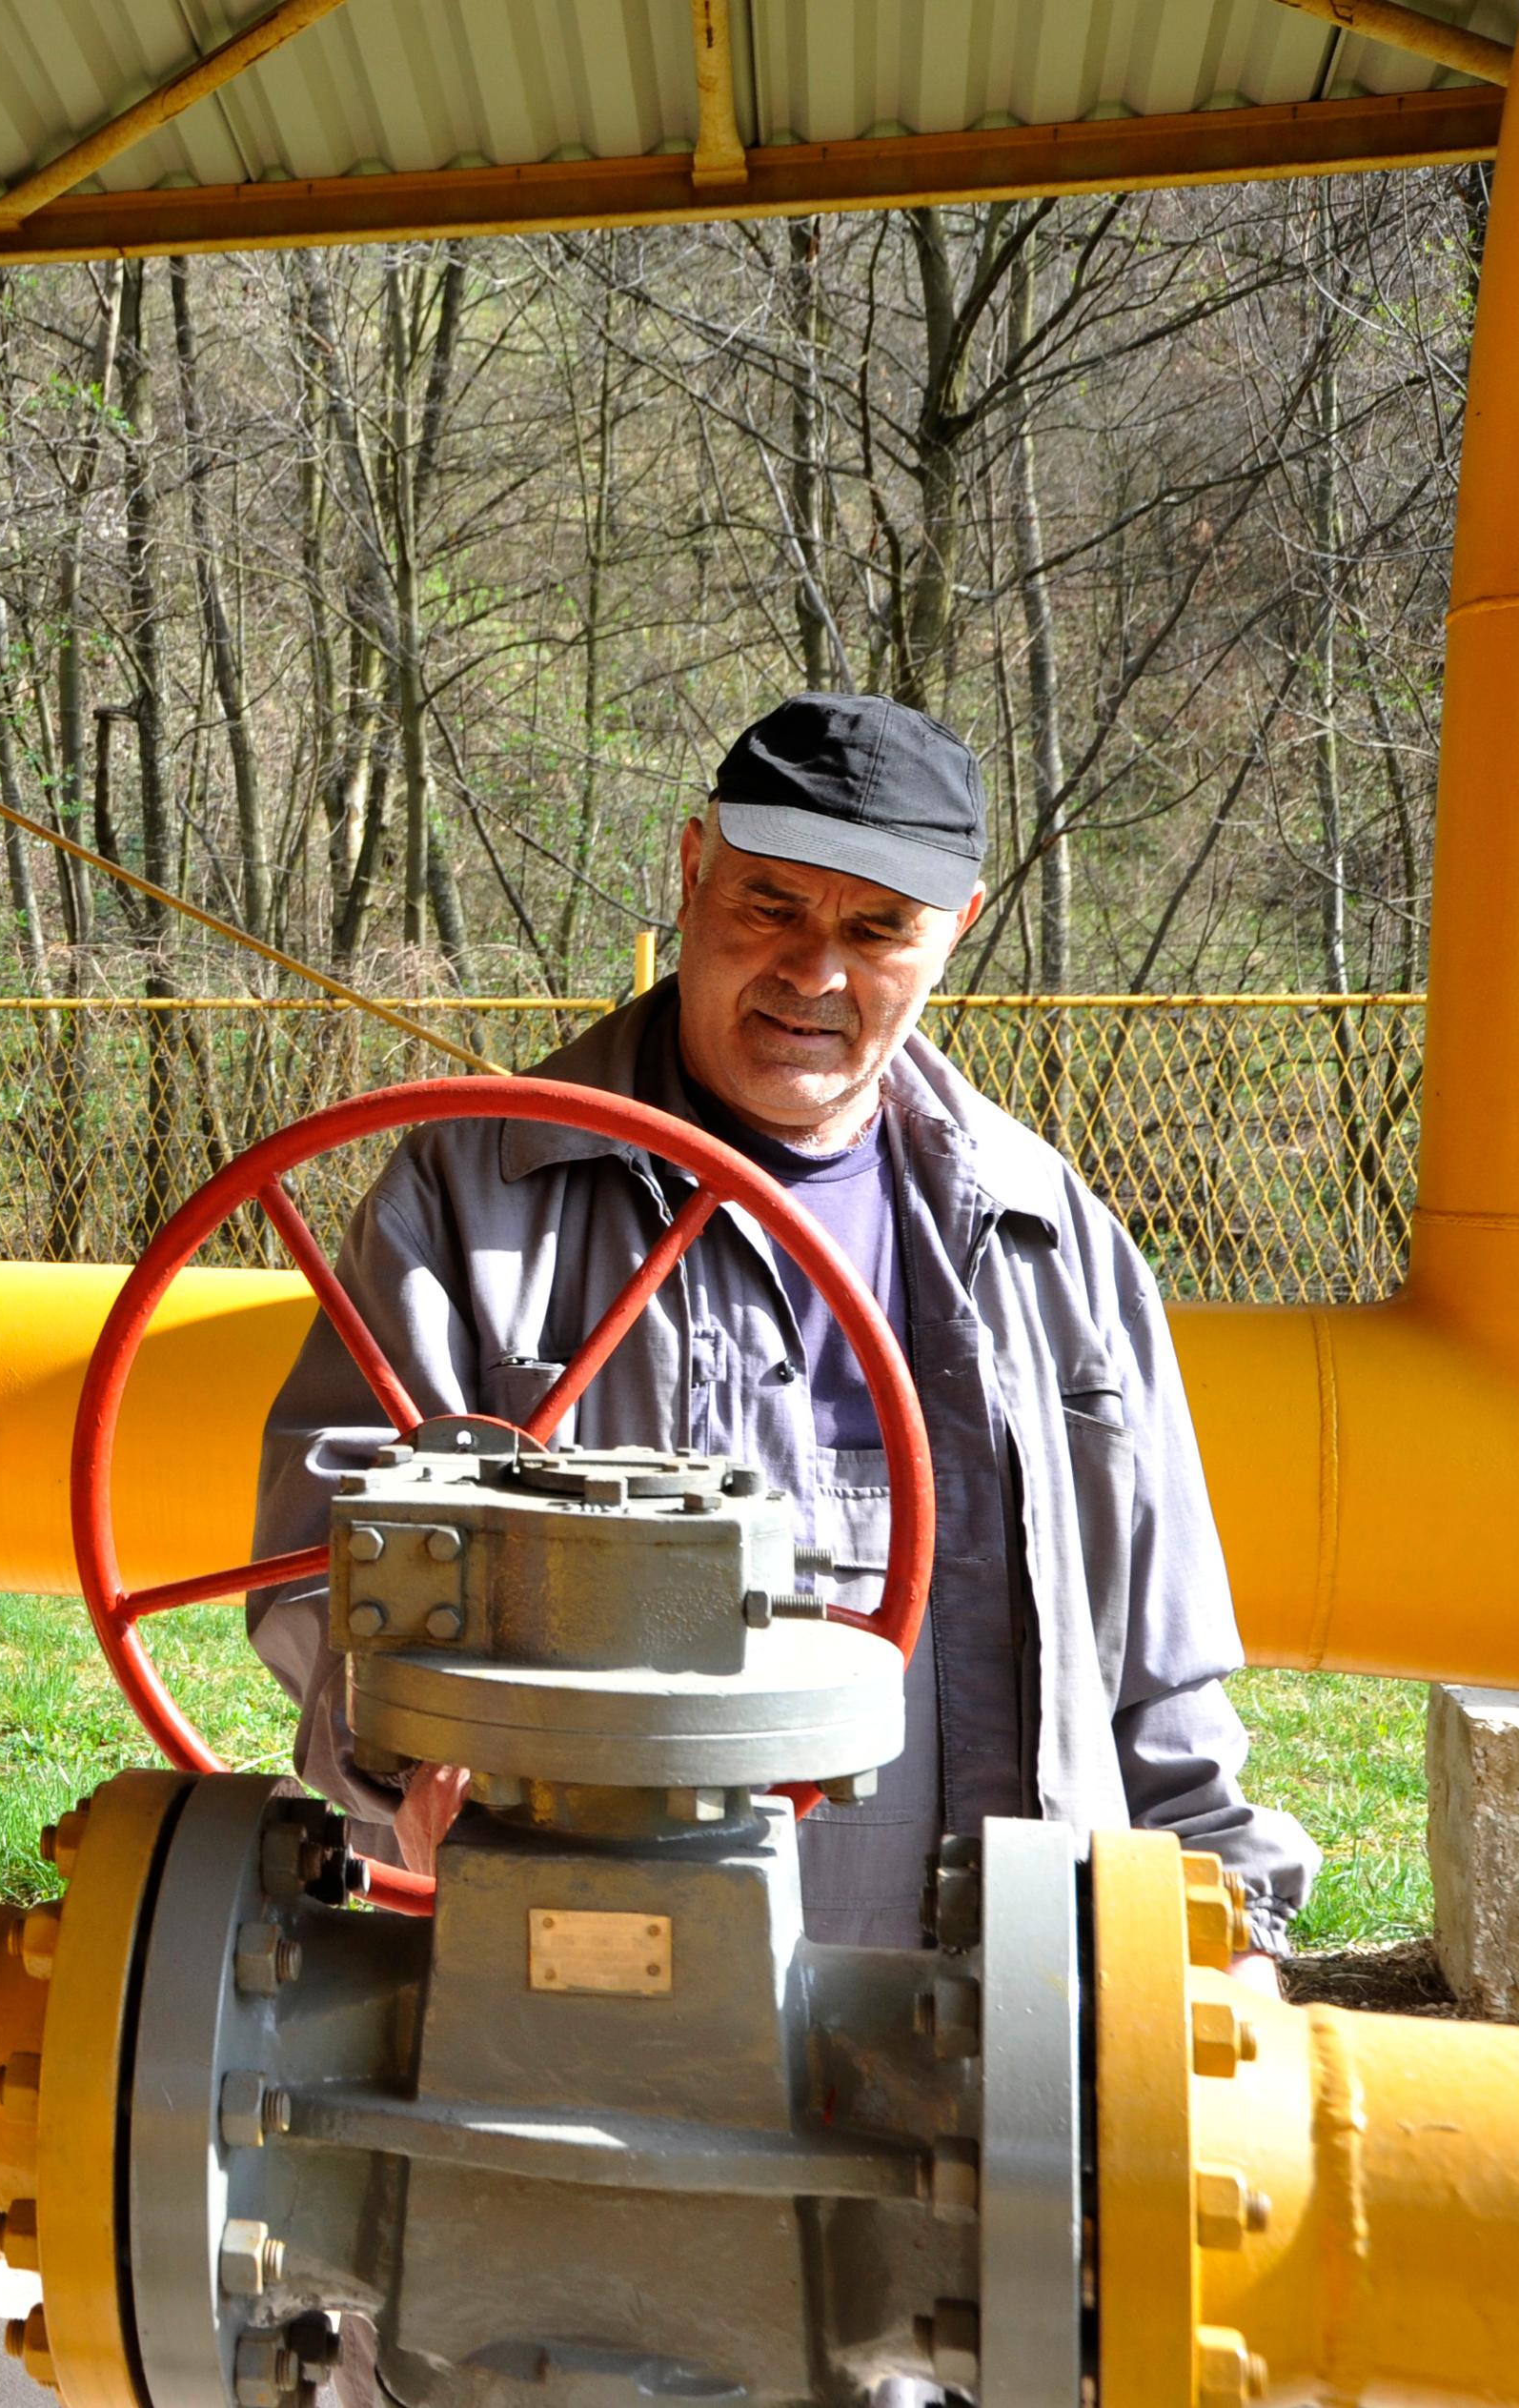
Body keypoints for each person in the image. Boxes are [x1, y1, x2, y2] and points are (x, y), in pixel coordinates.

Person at [249, 693, 1313, 1967]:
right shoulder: (474, 1196)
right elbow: (323, 1562)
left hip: (993, 2013)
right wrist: (419, 1757)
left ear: (955, 934)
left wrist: (1230, 1931)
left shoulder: (1049, 1237)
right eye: (772, 904)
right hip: (578, 1967)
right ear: (693, 869)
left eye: (877, 929)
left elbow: (1159, 1665)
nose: (815, 971)